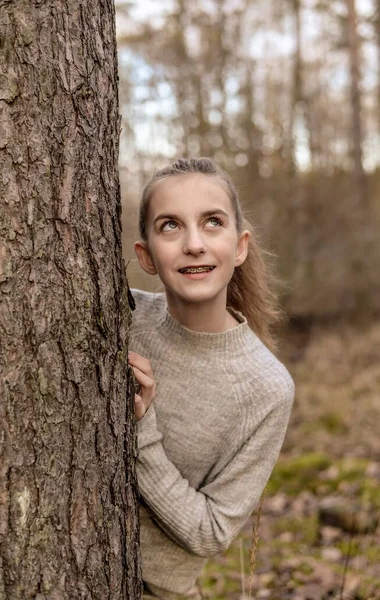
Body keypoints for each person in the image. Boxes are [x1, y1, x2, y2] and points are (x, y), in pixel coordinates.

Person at [127, 157, 295, 600]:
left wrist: (141, 432)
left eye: (212, 222)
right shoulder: (120, 318)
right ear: (145, 255)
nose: (194, 244)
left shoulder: (266, 388)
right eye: (170, 226)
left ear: (239, 246)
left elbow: (213, 530)